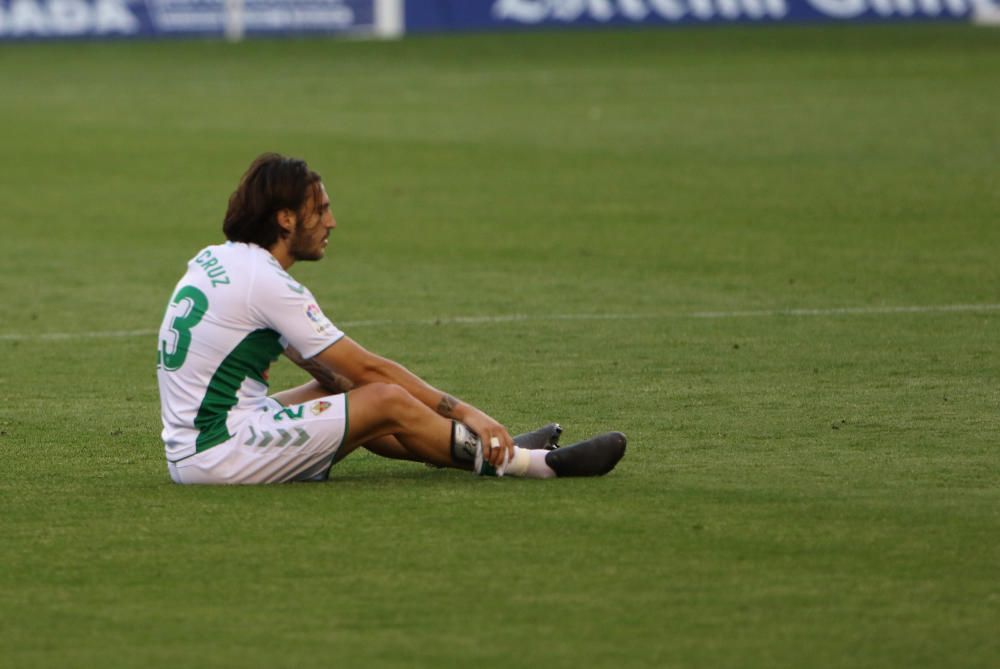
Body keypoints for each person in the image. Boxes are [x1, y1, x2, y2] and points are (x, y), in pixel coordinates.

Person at [156, 153, 626, 484]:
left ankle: (476, 448)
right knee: (382, 397)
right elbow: (369, 371)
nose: (331, 222)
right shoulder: (267, 282)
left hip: (206, 441)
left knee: (348, 391)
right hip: (220, 453)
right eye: (319, 210)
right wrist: (467, 411)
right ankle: (532, 465)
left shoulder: (222, 259)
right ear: (284, 219)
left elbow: (331, 373)